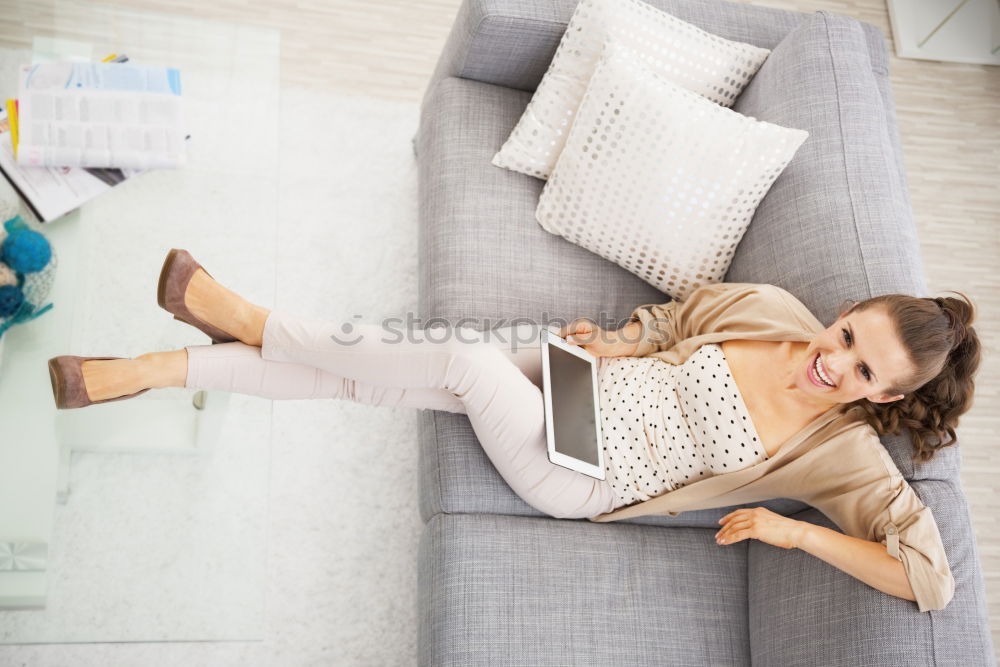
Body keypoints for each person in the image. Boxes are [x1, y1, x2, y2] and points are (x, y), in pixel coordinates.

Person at [47, 248, 980, 612]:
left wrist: (791, 528)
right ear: (847, 310)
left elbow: (931, 580)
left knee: (448, 363)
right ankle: (144, 374)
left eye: (863, 372)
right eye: (849, 334)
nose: (835, 361)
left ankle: (245, 317)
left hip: (580, 473)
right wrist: (617, 340)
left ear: (886, 398)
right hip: (572, 386)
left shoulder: (843, 454)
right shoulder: (772, 309)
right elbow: (675, 322)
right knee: (374, 375)